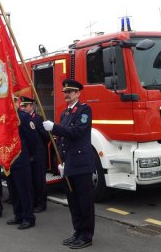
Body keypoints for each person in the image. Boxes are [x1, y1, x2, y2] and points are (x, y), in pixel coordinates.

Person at [43, 79, 95, 249]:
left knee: (84, 201)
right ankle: (78, 231)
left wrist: (54, 127)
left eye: (70, 92)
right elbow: (62, 140)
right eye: (65, 92)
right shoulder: (65, 113)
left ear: (78, 94)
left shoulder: (84, 110)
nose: (67, 95)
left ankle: (86, 235)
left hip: (81, 164)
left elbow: (77, 132)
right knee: (73, 201)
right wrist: (62, 161)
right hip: (69, 164)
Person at [6, 97, 38, 230]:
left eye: (12, 101)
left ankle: (28, 217)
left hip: (21, 159)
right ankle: (18, 215)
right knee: (13, 190)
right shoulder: (5, 118)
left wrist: (28, 155)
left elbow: (33, 138)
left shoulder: (23, 117)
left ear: (17, 103)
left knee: (24, 190)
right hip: (9, 160)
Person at [20, 96, 49, 213]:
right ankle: (33, 202)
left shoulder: (38, 119)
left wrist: (38, 151)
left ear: (31, 106)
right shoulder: (23, 119)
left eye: (25, 106)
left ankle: (41, 203)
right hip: (28, 154)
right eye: (22, 106)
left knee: (39, 181)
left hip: (38, 155)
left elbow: (45, 137)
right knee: (30, 180)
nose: (23, 108)